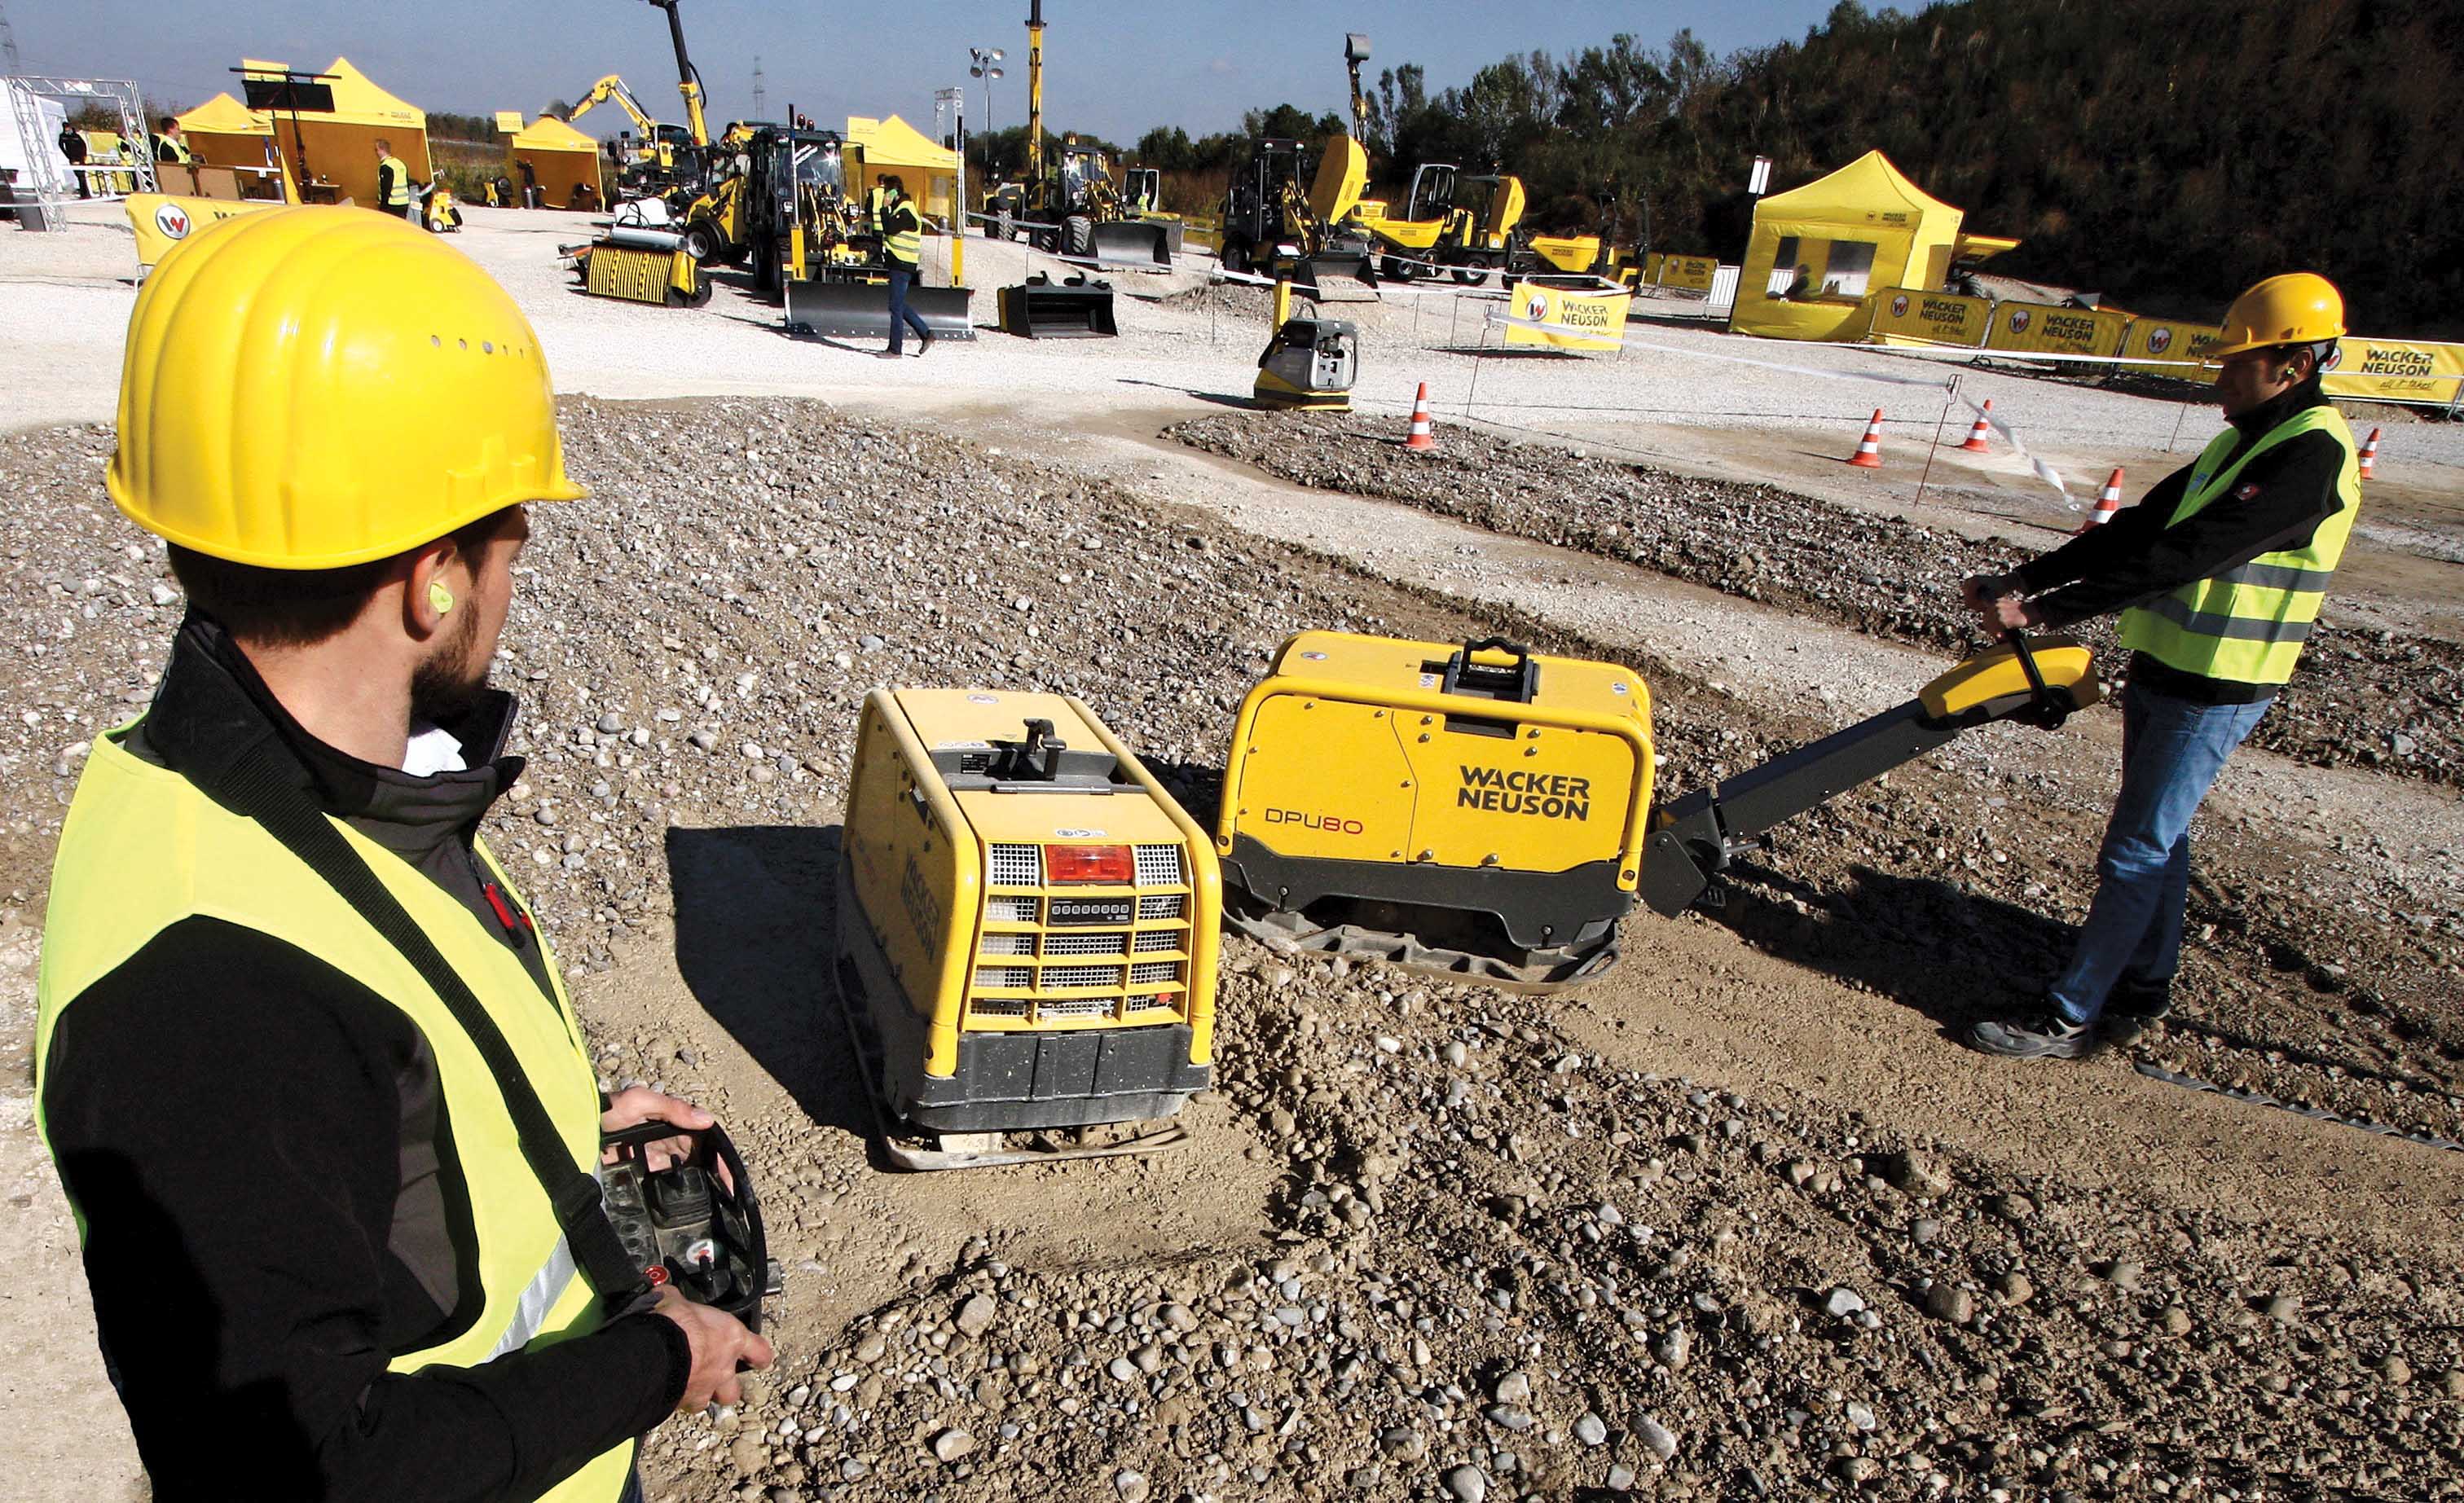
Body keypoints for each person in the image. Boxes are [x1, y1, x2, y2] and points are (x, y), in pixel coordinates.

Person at [35, 207, 773, 1500]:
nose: (523, 550)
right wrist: (658, 1359)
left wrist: (543, 1127)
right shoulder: (207, 996)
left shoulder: (292, 793)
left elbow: (351, 1098)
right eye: (506, 526)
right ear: (434, 580)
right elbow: (318, 1470)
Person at [1960, 272, 2361, 1060]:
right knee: (2160, 841)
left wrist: (2044, 615)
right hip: (2170, 669)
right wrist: (2024, 581)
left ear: (2294, 364)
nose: (2219, 377)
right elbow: (2140, 527)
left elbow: (2188, 554)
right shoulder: (2239, 441)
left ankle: (2071, 1016)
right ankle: (2144, 983)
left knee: (2137, 849)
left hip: (2218, 684)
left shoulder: (2310, 457)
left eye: (2236, 363)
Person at [877, 174, 935, 360]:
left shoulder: (906, 211)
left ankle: (895, 349)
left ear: (894, 192)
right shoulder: (902, 209)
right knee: (899, 304)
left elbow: (889, 228)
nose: (885, 195)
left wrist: (884, 208)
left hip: (902, 265)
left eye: (887, 191)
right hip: (899, 263)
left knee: (895, 306)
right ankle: (926, 334)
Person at [376, 138, 416, 221]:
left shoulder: (386, 166)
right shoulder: (400, 163)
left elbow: (386, 188)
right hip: (404, 203)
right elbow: (407, 182)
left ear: (381, 150)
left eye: (376, 150)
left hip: (392, 204)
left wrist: (382, 207)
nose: (376, 153)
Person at [59, 121, 90, 199]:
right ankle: (84, 193)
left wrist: (84, 154)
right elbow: (61, 146)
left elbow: (83, 145)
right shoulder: (63, 136)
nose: (67, 129)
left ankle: (85, 193)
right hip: (73, 158)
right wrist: (67, 155)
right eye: (65, 128)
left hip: (80, 157)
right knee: (79, 175)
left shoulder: (76, 136)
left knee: (82, 175)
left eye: (67, 127)